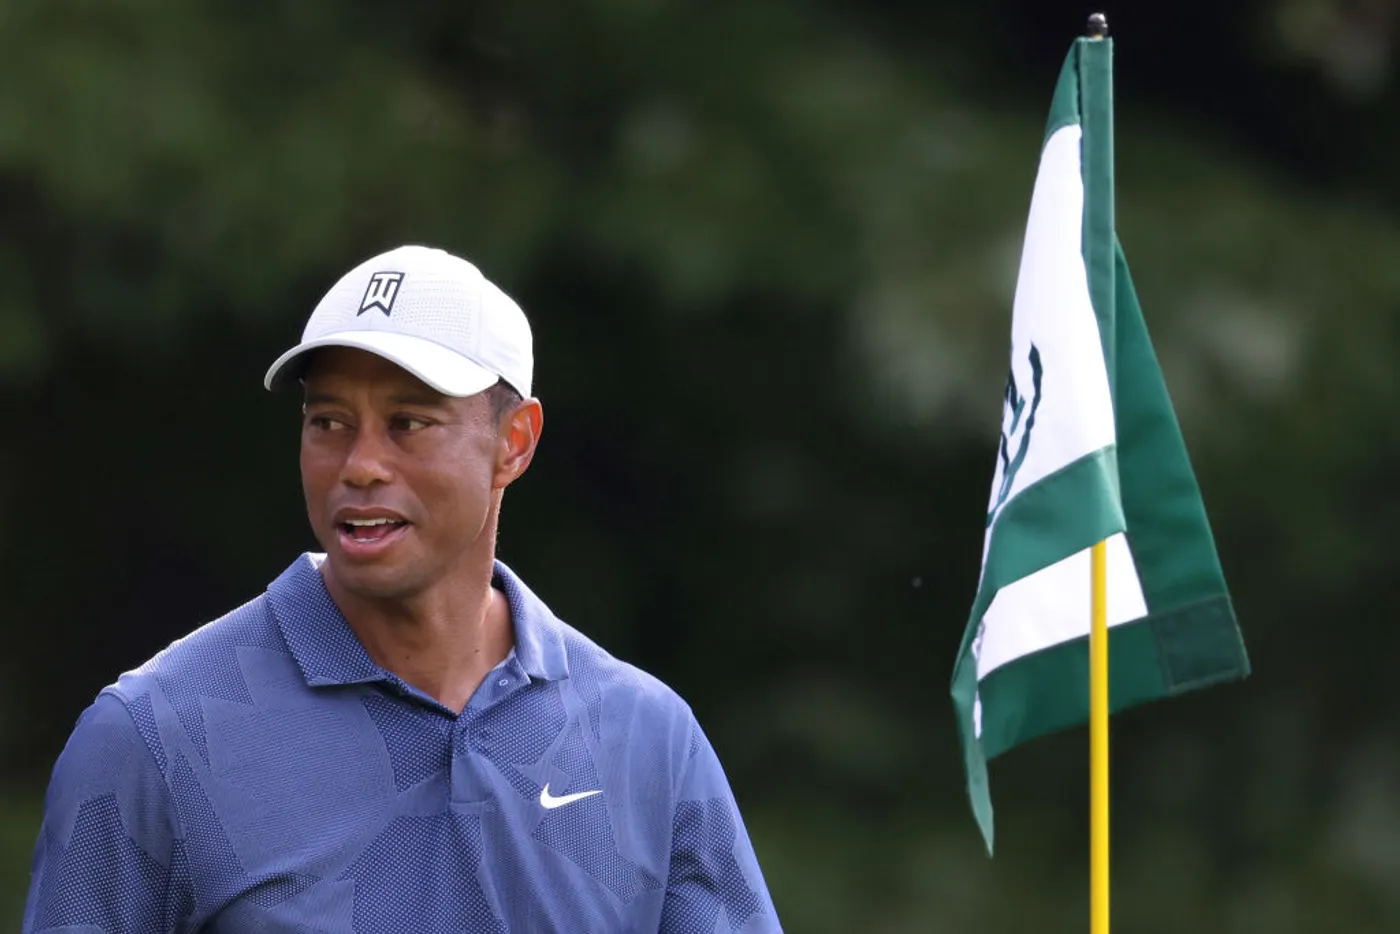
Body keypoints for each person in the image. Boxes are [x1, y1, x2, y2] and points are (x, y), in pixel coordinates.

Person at [23, 245, 782, 933]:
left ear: (514, 443)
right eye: (328, 422)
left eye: (408, 423)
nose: (359, 465)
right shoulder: (152, 739)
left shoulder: (645, 738)